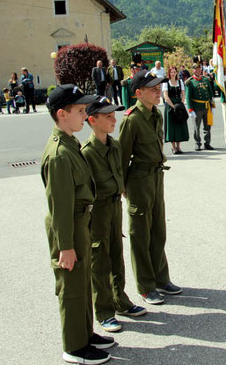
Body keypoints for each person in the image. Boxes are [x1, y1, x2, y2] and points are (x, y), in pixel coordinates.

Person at [40, 84, 114, 365]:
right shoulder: (59, 154)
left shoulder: (70, 143)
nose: (85, 115)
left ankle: (85, 333)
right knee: (71, 288)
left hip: (79, 221)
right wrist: (66, 247)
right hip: (68, 226)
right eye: (80, 111)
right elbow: (59, 207)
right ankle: (74, 347)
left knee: (82, 282)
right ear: (62, 114)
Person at [81, 97, 147, 334]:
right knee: (99, 258)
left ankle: (120, 300)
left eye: (113, 115)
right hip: (97, 209)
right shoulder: (86, 152)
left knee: (116, 253)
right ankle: (104, 310)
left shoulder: (116, 145)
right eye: (108, 116)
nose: (113, 120)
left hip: (114, 206)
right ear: (92, 120)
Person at [118, 71, 182, 306]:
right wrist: (123, 188)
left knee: (158, 231)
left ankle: (160, 278)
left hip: (156, 178)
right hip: (139, 181)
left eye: (158, 87)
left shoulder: (156, 115)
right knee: (140, 234)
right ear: (138, 93)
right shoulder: (131, 119)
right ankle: (145, 285)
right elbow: (122, 158)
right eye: (152, 88)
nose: (158, 91)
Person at [185, 58, 215, 151]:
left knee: (207, 126)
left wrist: (213, 106)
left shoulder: (206, 80)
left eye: (199, 69)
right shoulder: (190, 82)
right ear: (193, 70)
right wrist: (190, 110)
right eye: (196, 69)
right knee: (196, 127)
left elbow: (211, 94)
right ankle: (197, 143)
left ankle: (207, 143)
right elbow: (188, 97)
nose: (198, 70)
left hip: (206, 106)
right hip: (197, 107)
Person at [161, 66, 189, 154]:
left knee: (179, 124)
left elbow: (183, 94)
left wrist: (181, 103)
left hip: (179, 105)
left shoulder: (180, 81)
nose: (173, 74)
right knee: (172, 125)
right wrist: (173, 106)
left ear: (176, 73)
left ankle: (179, 147)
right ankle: (173, 147)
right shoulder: (166, 82)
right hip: (170, 105)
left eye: (174, 72)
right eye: (171, 72)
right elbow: (166, 96)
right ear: (169, 73)